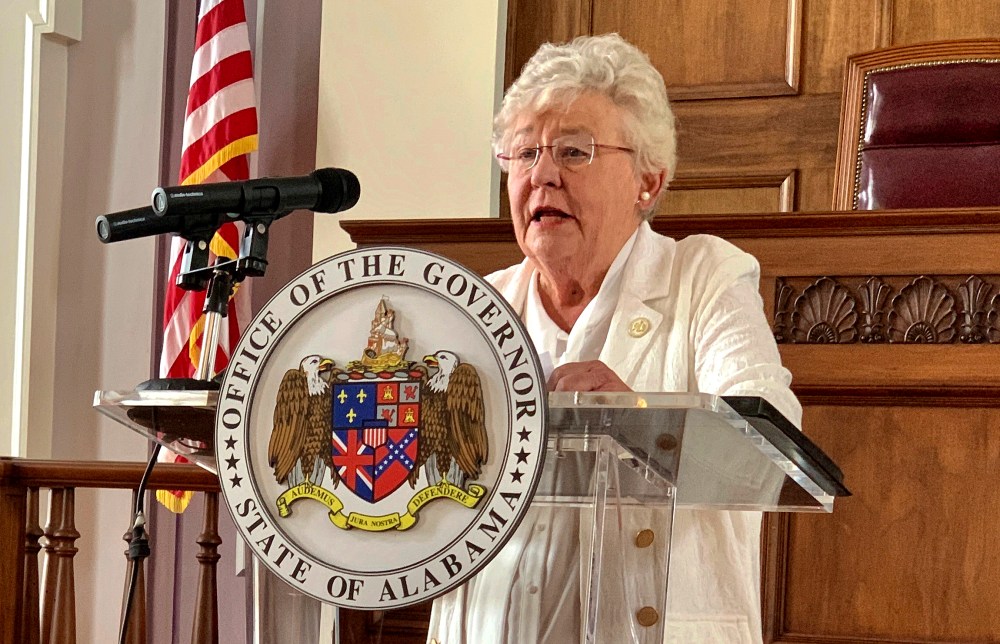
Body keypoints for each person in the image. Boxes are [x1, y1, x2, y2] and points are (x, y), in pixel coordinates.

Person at [427, 33, 801, 644]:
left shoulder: (705, 279)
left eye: (574, 152)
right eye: (523, 154)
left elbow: (772, 450)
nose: (541, 174)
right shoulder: (475, 305)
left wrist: (638, 419)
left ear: (647, 183)